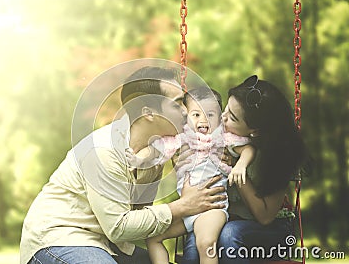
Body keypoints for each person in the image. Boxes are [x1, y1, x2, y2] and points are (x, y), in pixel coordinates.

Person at [19, 66, 227, 264]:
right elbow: (118, 227)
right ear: (149, 113)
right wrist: (182, 207)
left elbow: (139, 215)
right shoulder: (103, 151)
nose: (186, 111)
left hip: (106, 243)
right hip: (59, 239)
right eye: (177, 103)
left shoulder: (155, 151)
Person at [181, 75, 308, 264]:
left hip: (270, 230)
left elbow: (265, 217)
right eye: (225, 110)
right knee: (195, 244)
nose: (222, 118)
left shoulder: (279, 156)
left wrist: (235, 166)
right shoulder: (220, 138)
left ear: (254, 131)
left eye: (232, 117)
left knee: (229, 235)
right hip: (227, 219)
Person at [126, 87, 256, 264]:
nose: (203, 120)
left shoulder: (223, 137)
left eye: (210, 115)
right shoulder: (180, 139)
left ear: (219, 118)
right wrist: (138, 160)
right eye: (196, 115)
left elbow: (248, 148)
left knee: (205, 243)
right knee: (152, 237)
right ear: (186, 117)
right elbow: (155, 150)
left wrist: (240, 164)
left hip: (212, 209)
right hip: (186, 209)